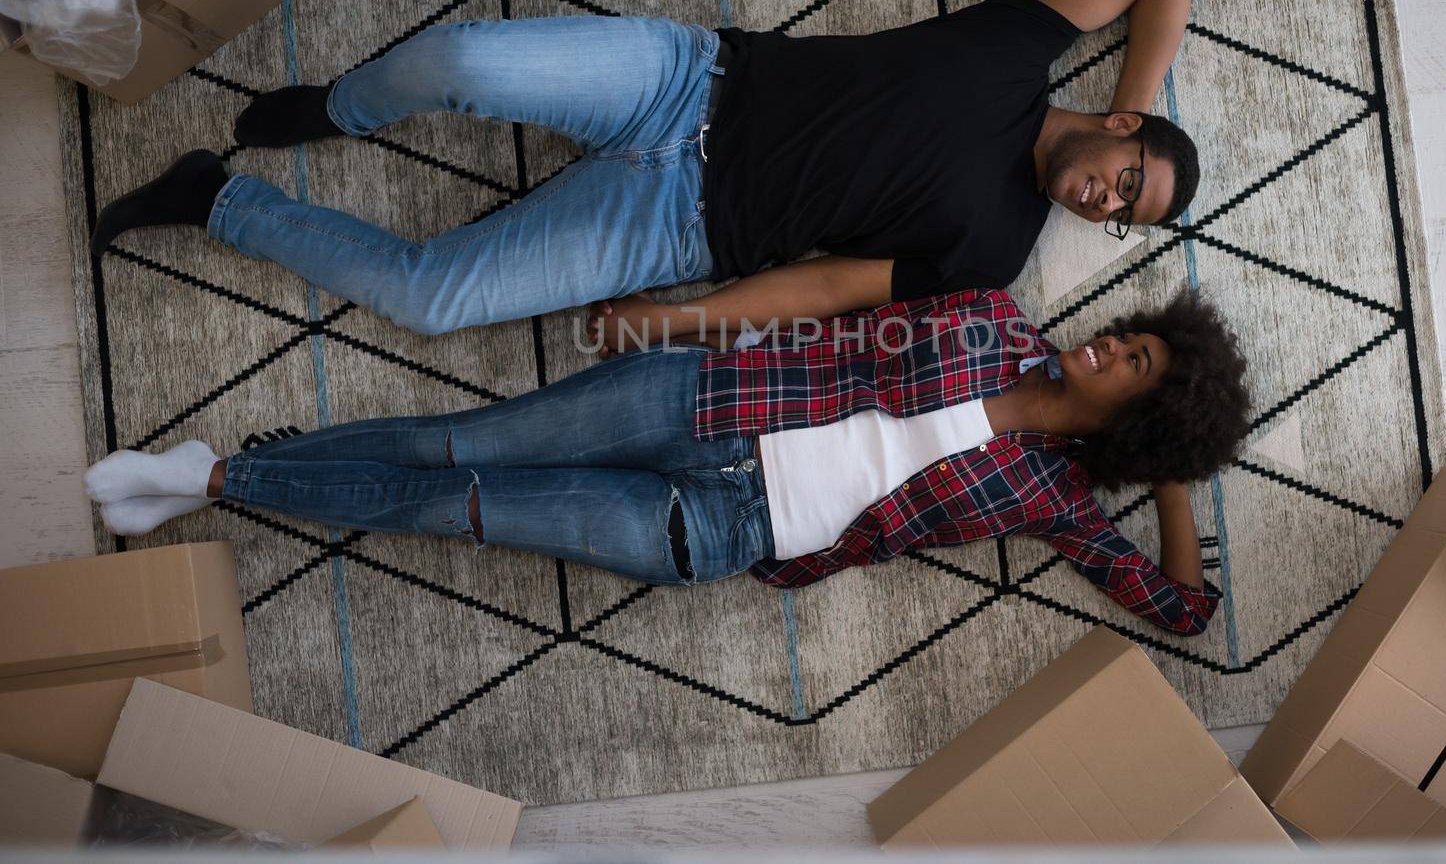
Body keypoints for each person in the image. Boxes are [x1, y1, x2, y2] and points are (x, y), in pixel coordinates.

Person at [89, 0, 1202, 338]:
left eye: (1122, 216)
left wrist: (676, 323)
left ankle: (216, 201)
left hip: (675, 227)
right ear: (1117, 126)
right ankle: (341, 110)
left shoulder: (996, 253)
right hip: (691, 82)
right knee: (466, 61)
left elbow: (824, 290)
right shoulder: (1022, 50)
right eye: (1129, 179)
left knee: (431, 303)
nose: (1106, 201)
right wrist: (1137, 106)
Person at [83, 288, 1249, 636]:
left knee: (465, 509)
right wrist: (682, 323)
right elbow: (839, 324)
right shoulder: (993, 321)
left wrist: (1170, 474)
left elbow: (1183, 609)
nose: (1109, 349)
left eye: (1134, 371)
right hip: (706, 400)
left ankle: (218, 482)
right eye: (1132, 338)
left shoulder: (1052, 497)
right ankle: (214, 476)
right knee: (460, 444)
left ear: (1131, 424)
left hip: (723, 532)